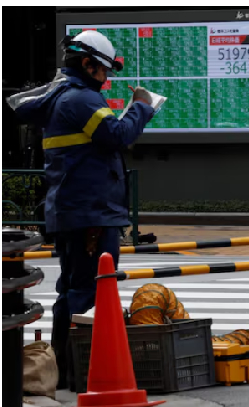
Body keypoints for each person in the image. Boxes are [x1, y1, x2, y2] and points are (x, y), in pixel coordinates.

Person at [6, 30, 156, 388]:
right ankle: (76, 370)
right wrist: (142, 106)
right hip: (91, 212)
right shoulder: (81, 100)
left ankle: (67, 368)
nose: (106, 80)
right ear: (88, 65)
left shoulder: (64, 97)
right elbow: (116, 136)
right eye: (104, 71)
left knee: (75, 289)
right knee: (88, 291)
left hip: (78, 210)